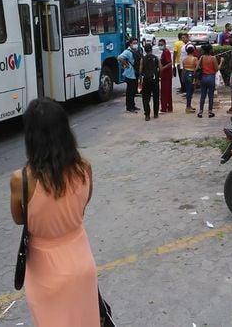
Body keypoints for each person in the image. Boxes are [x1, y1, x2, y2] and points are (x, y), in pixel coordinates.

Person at [10, 98, 98, 327]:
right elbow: (83, 204)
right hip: (81, 259)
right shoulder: (84, 169)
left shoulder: (22, 179)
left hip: (45, 270)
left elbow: (20, 218)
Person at [195, 44, 221, 118]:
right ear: (210, 50)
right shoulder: (213, 58)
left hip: (203, 77)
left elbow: (197, 67)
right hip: (211, 77)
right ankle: (210, 112)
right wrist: (221, 62)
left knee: (202, 96)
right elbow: (216, 69)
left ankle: (200, 112)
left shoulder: (202, 57)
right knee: (210, 96)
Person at [118, 38, 140, 113]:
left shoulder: (136, 51)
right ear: (130, 44)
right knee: (130, 92)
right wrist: (126, 65)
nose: (135, 44)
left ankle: (133, 105)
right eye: (133, 43)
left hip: (135, 73)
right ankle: (129, 107)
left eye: (136, 43)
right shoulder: (127, 52)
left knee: (134, 91)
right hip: (130, 74)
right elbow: (119, 58)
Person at [139, 43, 160, 121]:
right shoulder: (156, 58)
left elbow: (140, 70)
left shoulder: (142, 59)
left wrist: (140, 79)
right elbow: (160, 68)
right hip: (155, 80)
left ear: (145, 50)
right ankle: (155, 114)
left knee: (145, 98)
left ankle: (147, 114)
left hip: (146, 80)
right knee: (156, 97)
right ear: (151, 49)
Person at [158, 39, 173, 113]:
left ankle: (164, 108)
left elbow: (170, 63)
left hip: (166, 74)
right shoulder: (164, 52)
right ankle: (169, 107)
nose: (160, 46)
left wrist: (162, 69)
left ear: (165, 44)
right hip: (166, 74)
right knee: (167, 91)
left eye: (161, 44)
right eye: (159, 44)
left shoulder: (166, 52)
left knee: (164, 92)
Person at [182, 45, 198, 113]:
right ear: (193, 51)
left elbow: (183, 69)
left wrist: (182, 77)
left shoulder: (184, 59)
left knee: (189, 90)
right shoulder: (194, 59)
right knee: (190, 91)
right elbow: (197, 67)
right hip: (191, 74)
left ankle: (189, 106)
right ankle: (188, 107)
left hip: (185, 74)